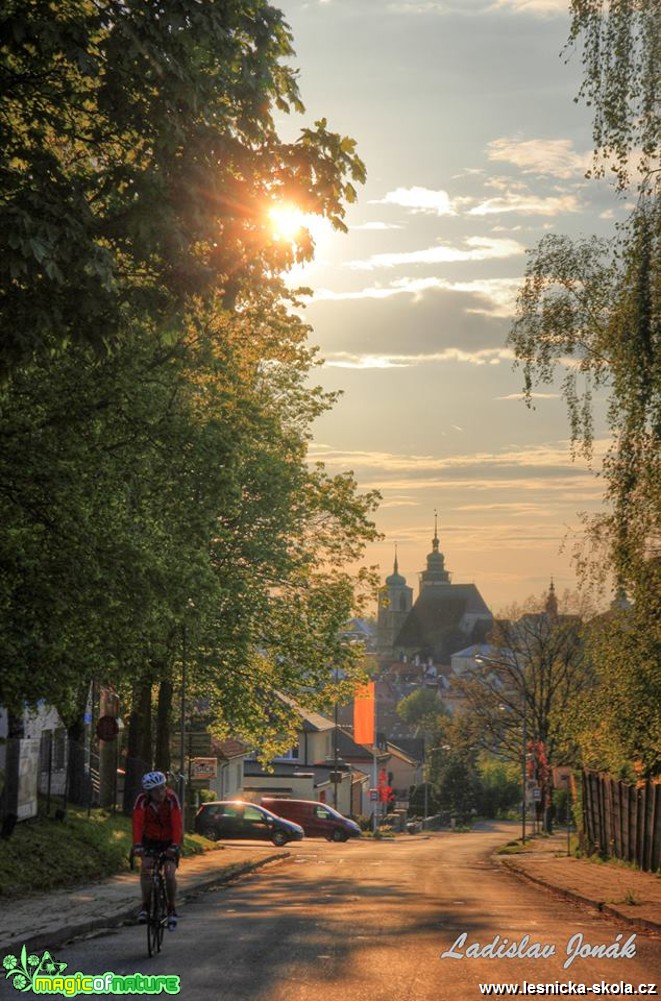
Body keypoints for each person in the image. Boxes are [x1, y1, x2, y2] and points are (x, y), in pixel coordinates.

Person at [132, 771, 183, 929]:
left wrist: (175, 845)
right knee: (146, 871)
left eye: (162, 788)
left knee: (169, 873)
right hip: (150, 840)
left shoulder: (172, 799)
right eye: (155, 790)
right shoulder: (142, 801)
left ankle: (171, 908)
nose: (160, 793)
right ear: (148, 792)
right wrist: (138, 845)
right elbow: (137, 824)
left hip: (169, 840)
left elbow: (177, 824)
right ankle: (145, 906)